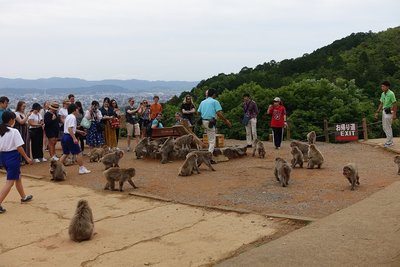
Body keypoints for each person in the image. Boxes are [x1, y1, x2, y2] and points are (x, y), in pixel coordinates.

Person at [0, 111, 33, 214]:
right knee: (10, 182)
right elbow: (19, 147)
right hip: (12, 157)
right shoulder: (14, 131)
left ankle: (23, 196)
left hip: (2, 156)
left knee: (17, 176)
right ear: (11, 120)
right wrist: (27, 158)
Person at [197, 88, 231, 157]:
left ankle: (209, 153)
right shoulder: (215, 102)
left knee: (209, 138)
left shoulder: (202, 102)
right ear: (214, 94)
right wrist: (226, 120)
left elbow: (198, 112)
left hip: (203, 122)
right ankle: (209, 156)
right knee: (212, 141)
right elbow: (219, 113)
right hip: (210, 122)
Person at [59, 104, 91, 174]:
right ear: (74, 110)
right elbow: (70, 128)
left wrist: (79, 131)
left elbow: (70, 128)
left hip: (65, 136)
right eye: (77, 109)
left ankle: (57, 168)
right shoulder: (72, 117)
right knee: (79, 152)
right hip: (69, 137)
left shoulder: (68, 117)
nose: (78, 110)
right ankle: (81, 168)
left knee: (65, 153)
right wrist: (74, 138)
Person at [375, 81, 397, 147]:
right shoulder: (383, 94)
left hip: (389, 111)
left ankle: (390, 142)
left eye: (383, 86)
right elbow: (381, 103)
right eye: (381, 86)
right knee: (384, 127)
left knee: (388, 126)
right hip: (384, 111)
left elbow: (395, 104)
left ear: (387, 87)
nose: (382, 87)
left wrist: (394, 114)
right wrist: (377, 112)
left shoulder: (391, 93)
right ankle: (389, 141)